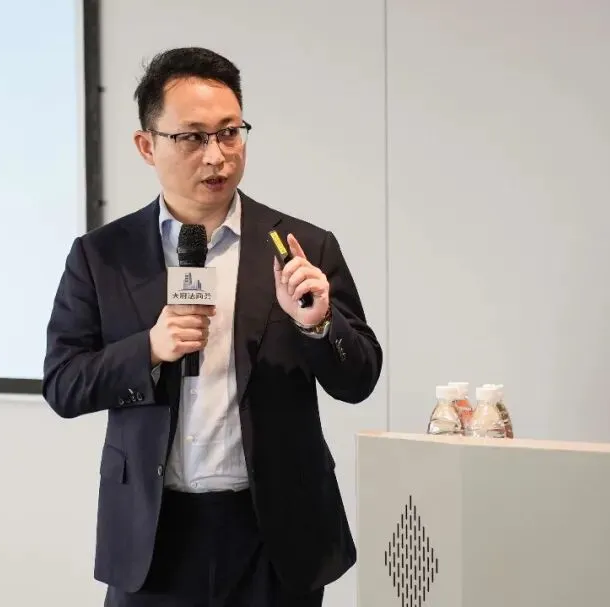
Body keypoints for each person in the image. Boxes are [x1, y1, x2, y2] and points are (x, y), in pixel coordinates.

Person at [43, 47, 382, 607]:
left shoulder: (301, 246)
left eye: (229, 133)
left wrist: (320, 324)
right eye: (192, 137)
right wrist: (149, 349)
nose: (217, 156)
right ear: (146, 145)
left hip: (274, 535)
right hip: (155, 534)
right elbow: (63, 384)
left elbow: (359, 380)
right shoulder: (102, 256)